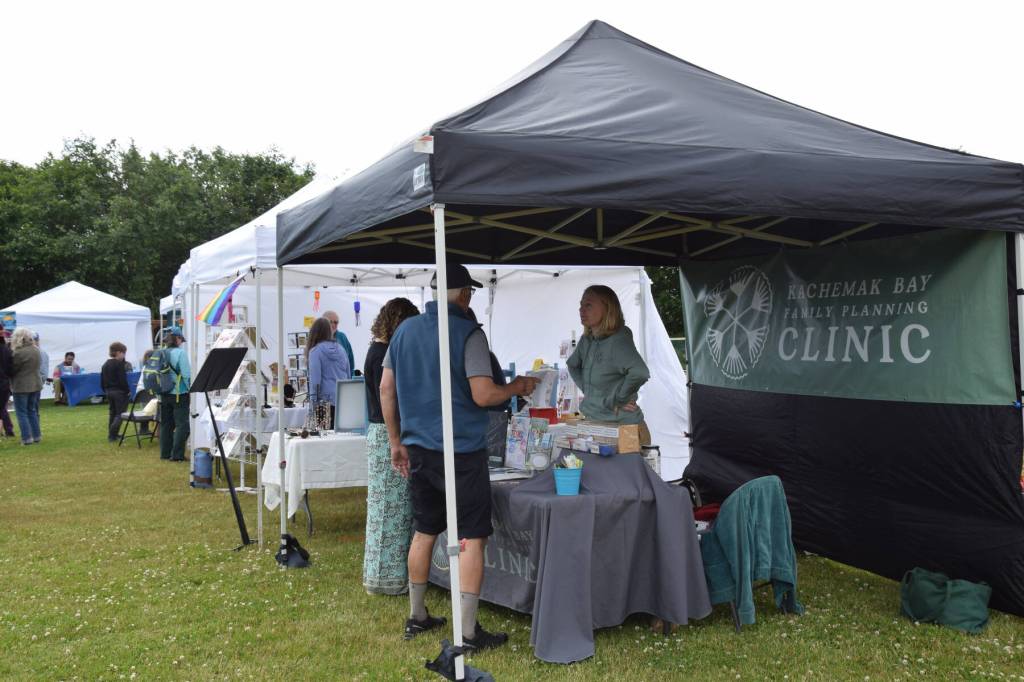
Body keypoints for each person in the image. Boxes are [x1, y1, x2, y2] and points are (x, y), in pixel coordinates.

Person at [381, 263, 538, 651]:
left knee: (424, 530)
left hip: (418, 448)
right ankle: (467, 633)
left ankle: (417, 616)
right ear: (465, 294)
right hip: (462, 452)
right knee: (471, 537)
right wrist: (517, 386)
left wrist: (394, 440)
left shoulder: (404, 329)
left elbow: (386, 388)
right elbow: (484, 395)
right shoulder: (469, 333)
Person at [362, 297, 420, 596]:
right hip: (388, 432)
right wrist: (396, 439)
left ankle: (380, 575)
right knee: (392, 510)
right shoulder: (385, 353)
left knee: (384, 507)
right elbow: (388, 393)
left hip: (378, 432)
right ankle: (389, 579)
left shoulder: (376, 349)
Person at [567, 284, 652, 443]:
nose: (581, 310)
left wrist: (619, 399)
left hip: (623, 429)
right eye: (581, 305)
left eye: (588, 305)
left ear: (607, 308)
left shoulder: (618, 339)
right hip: (596, 425)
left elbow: (640, 372)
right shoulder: (588, 339)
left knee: (627, 469)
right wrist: (591, 393)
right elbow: (572, 365)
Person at [306, 317, 350, 423]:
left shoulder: (315, 351)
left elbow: (315, 383)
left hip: (323, 405)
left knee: (323, 437)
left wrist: (312, 409)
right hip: (342, 402)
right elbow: (348, 375)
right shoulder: (341, 349)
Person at [159, 326, 191, 462]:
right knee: (181, 425)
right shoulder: (181, 353)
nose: (181, 342)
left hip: (164, 392)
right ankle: (177, 455)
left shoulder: (161, 352)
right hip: (179, 393)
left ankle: (165, 453)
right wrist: (190, 388)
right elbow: (186, 374)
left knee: (166, 424)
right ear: (177, 338)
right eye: (181, 339)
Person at [10, 328, 43, 445]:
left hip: (21, 385)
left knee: (22, 412)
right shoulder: (36, 350)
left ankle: (26, 438)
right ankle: (37, 435)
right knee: (32, 411)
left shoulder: (18, 353)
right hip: (35, 383)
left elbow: (13, 369)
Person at [101, 342, 130, 443]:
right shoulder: (119, 364)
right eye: (123, 353)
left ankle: (113, 434)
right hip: (119, 392)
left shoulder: (105, 364)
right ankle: (112, 434)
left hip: (109, 391)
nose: (124, 355)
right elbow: (122, 380)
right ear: (118, 352)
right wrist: (127, 390)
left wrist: (105, 390)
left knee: (112, 413)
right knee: (120, 414)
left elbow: (102, 379)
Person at [322, 310, 356, 376]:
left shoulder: (342, 337)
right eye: (330, 322)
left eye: (336, 322)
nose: (333, 325)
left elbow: (350, 361)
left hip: (342, 380)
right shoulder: (318, 338)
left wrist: (349, 379)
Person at [0, 335, 15, 437]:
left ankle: (8, 430)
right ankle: (8, 429)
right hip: (5, 383)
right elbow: (11, 369)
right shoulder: (7, 350)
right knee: (2, 408)